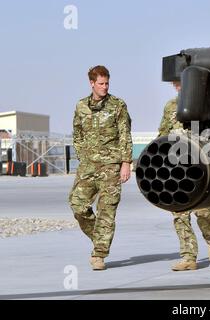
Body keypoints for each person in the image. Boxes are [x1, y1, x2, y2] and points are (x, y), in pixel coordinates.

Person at [69, 65, 133, 271]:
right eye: (101, 83)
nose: (105, 87)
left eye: (107, 83)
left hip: (111, 167)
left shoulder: (117, 105)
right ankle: (99, 237)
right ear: (91, 84)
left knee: (107, 212)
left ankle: (99, 254)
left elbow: (125, 135)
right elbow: (77, 134)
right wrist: (82, 156)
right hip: (88, 167)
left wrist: (126, 163)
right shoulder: (80, 106)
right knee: (77, 205)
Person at [158, 80, 210, 271]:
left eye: (182, 84)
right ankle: (189, 257)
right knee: (179, 213)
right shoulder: (170, 106)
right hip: (176, 167)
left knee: (203, 210)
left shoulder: (204, 105)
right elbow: (162, 134)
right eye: (176, 84)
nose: (178, 88)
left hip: (198, 166)